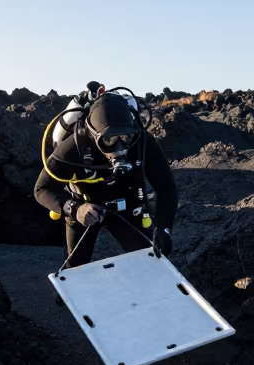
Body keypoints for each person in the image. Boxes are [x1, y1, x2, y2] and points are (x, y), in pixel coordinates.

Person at [35, 86, 177, 268]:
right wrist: (74, 209)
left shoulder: (142, 140)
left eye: (125, 137)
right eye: (108, 140)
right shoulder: (73, 147)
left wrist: (164, 228)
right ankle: (65, 296)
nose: (119, 147)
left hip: (128, 206)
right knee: (75, 268)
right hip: (84, 208)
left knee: (150, 261)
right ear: (93, 136)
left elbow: (166, 187)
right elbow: (41, 189)